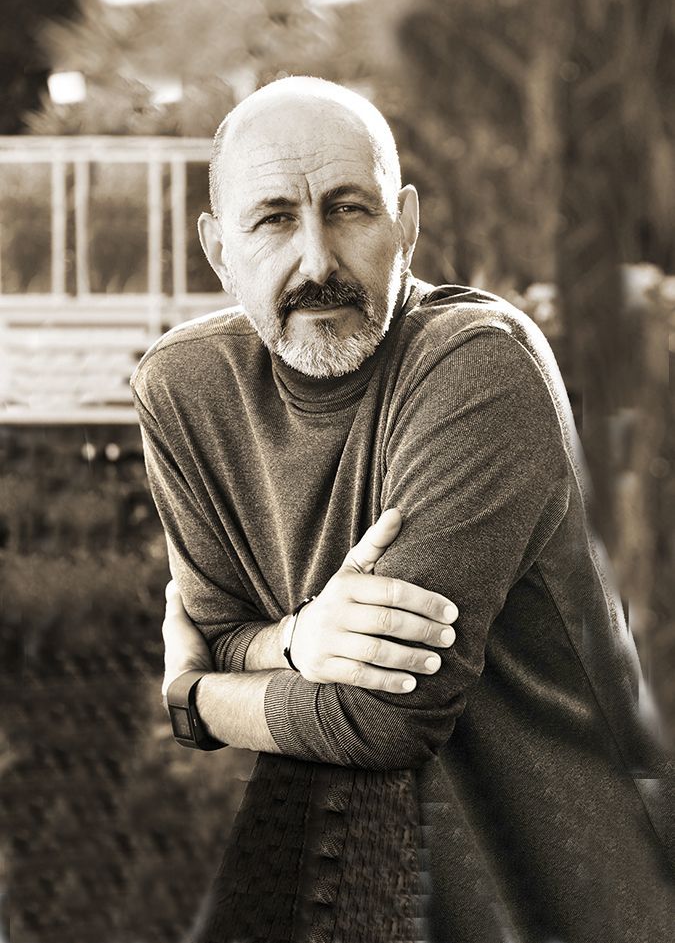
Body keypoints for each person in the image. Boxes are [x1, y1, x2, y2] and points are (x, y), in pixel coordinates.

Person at [131, 76, 674, 943]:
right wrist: (301, 640)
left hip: (570, 879)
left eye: (349, 210)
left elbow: (384, 717)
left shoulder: (477, 367)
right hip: (348, 856)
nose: (316, 262)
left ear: (407, 224)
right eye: (272, 218)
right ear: (216, 248)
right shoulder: (185, 389)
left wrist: (195, 698)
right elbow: (222, 623)